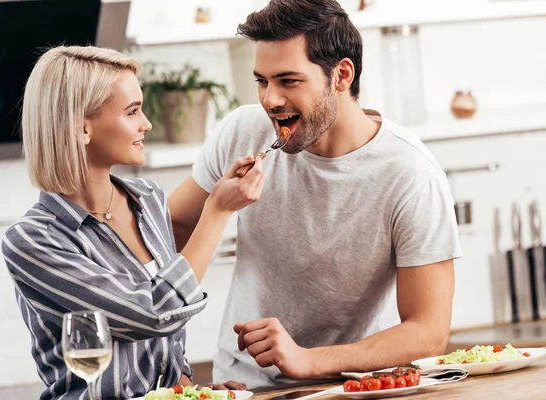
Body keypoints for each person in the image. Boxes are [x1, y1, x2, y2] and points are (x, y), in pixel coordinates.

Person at [168, 0, 462, 389]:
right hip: (242, 389)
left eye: (288, 81)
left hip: (355, 387)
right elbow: (168, 228)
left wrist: (307, 361)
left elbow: (429, 332)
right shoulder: (243, 132)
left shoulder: (410, 173)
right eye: (262, 81)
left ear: (340, 75)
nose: (270, 100)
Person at [1, 46, 262, 399]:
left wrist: (191, 391)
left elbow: (165, 344)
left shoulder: (147, 199)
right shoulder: (32, 242)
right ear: (81, 128)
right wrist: (216, 212)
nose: (147, 124)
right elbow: (152, 313)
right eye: (132, 111)